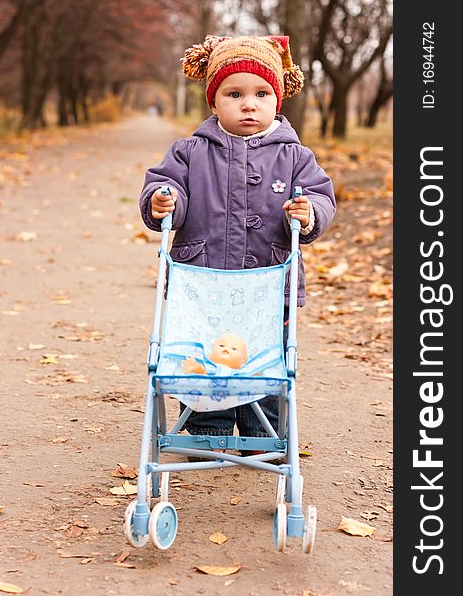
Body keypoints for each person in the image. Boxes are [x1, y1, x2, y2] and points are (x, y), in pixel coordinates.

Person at [139, 34, 336, 449]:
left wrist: (309, 211)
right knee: (208, 353)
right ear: (214, 102)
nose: (249, 104)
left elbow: (319, 193)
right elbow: (167, 183)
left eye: (261, 93)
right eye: (234, 94)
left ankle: (260, 432)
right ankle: (206, 429)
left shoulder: (295, 156)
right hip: (204, 279)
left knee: (266, 356)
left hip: (268, 280)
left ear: (277, 100)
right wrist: (163, 201)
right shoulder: (190, 151)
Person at [183, 333, 248, 375]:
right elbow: (203, 372)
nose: (226, 349)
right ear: (210, 356)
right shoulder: (209, 367)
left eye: (234, 348)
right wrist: (195, 367)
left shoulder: (239, 372)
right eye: (221, 345)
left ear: (243, 361)